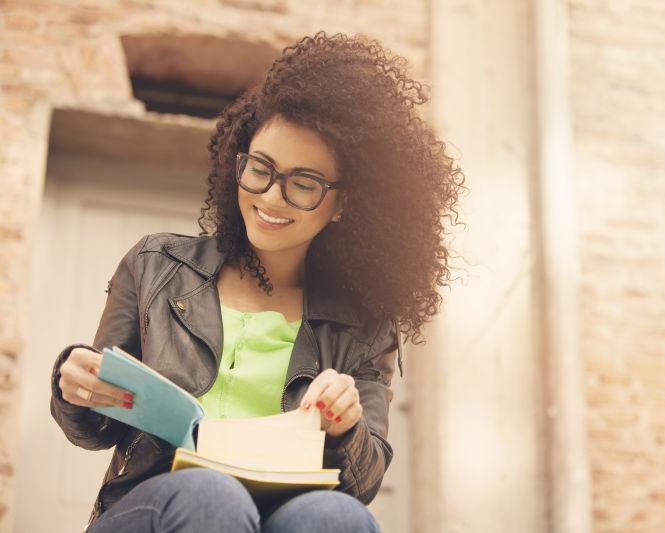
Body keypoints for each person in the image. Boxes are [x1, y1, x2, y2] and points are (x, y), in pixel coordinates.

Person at [49, 30, 465, 533]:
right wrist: (73, 387)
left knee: (337, 516)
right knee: (212, 498)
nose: (270, 197)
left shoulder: (363, 325)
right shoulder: (155, 263)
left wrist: (345, 429)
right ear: (238, 161)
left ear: (343, 205)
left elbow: (363, 482)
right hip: (155, 507)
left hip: (283, 514)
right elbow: (97, 428)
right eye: (261, 169)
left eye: (304, 184)